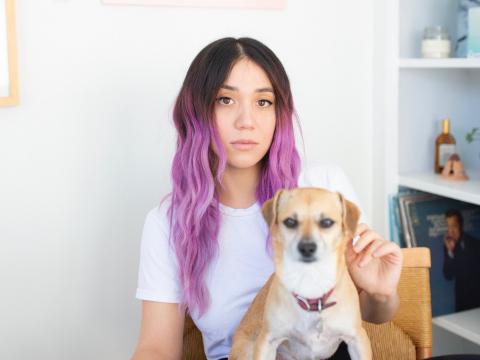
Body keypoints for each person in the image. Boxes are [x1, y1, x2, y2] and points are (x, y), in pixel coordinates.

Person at [131, 37, 403, 360]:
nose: (247, 121)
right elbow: (156, 349)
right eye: (225, 100)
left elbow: (373, 314)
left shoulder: (324, 187)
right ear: (197, 112)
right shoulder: (168, 223)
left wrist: (380, 292)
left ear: (279, 114)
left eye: (263, 102)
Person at [443, 209, 480, 312]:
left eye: (454, 226)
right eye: (449, 227)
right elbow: (448, 275)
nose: (451, 231)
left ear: (461, 225)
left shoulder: (475, 244)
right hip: (462, 299)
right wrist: (450, 252)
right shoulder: (448, 246)